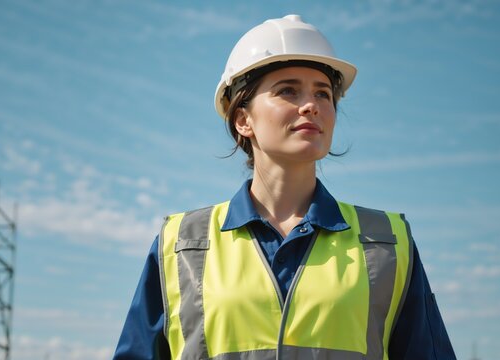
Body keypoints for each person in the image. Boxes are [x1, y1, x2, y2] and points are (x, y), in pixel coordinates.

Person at [114, 14, 456, 360]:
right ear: (243, 119)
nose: (312, 105)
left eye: (323, 93)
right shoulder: (183, 246)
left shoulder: (386, 243)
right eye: (288, 90)